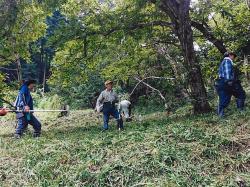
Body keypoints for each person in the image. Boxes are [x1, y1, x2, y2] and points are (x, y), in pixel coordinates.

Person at [215, 52, 246, 117]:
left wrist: (239, 63)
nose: (234, 58)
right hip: (227, 82)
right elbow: (227, 71)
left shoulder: (225, 62)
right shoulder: (227, 61)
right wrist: (229, 81)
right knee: (240, 94)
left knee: (225, 98)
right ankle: (240, 110)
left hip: (222, 83)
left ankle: (220, 114)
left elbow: (232, 67)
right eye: (233, 56)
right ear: (230, 55)